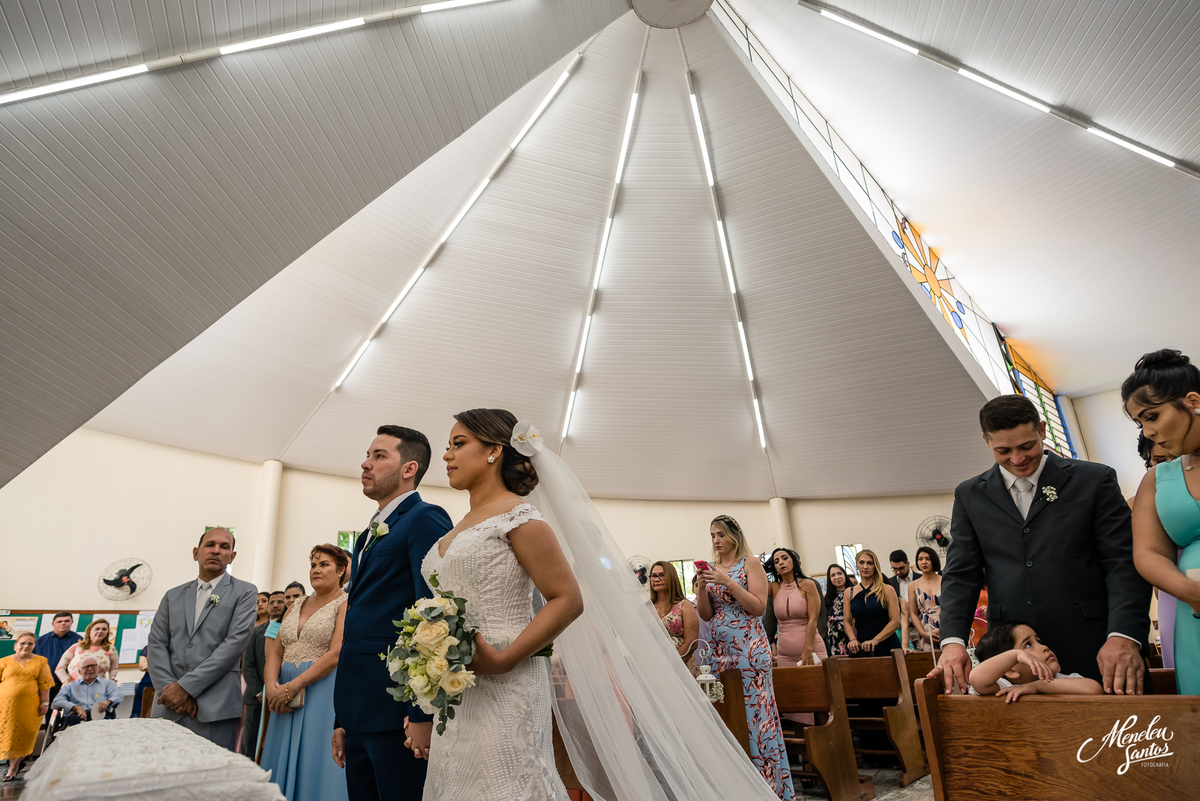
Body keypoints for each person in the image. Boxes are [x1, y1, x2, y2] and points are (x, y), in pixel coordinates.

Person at [931, 394, 1152, 695]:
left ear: (1042, 430)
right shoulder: (970, 495)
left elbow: (1123, 563)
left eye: (1026, 446)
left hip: (1095, 643)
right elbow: (961, 575)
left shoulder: (1093, 480)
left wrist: (1123, 636)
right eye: (1003, 450)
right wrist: (952, 642)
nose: (1018, 459)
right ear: (986, 441)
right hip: (1014, 660)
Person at [413, 410, 582, 800]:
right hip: (457, 686)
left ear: (493, 451)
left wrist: (505, 659)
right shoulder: (462, 524)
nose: (446, 456)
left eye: (458, 444)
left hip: (508, 681)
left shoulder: (520, 518)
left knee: (501, 783)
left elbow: (568, 599)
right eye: (448, 446)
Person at [331, 425, 453, 801]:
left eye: (379, 455)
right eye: (368, 455)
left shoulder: (425, 518)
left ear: (409, 469)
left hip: (397, 713)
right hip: (358, 709)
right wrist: (342, 720)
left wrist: (421, 715)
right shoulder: (367, 535)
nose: (365, 464)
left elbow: (434, 616)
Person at [697, 515, 795, 800]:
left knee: (755, 713)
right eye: (712, 535)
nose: (715, 540)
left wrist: (727, 581)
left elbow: (757, 607)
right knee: (728, 712)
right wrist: (703, 587)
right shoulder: (713, 568)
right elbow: (705, 614)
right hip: (719, 651)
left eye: (720, 535)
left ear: (734, 536)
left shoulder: (750, 562)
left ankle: (767, 786)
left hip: (749, 648)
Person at [1123, 349, 1200, 693]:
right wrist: (1190, 592)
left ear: (1193, 401)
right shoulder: (1159, 478)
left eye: (1152, 416)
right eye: (1141, 423)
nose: (1149, 431)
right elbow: (1149, 552)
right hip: (1193, 611)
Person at [148, 527, 258, 749]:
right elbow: (157, 643)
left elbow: (234, 644)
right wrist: (169, 688)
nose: (216, 551)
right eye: (210, 545)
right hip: (167, 703)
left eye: (224, 547)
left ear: (232, 556)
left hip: (214, 706)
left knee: (210, 778)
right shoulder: (173, 595)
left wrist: (186, 688)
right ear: (196, 552)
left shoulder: (245, 592)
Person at [261, 544, 349, 801]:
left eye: (324, 565)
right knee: (279, 756)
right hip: (282, 694)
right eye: (313, 565)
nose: (316, 570)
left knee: (316, 757)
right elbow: (276, 651)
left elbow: (335, 654)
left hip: (321, 691)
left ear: (341, 570)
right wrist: (272, 688)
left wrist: (292, 687)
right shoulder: (296, 604)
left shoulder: (345, 603)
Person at [969, 621, 1103, 702]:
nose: (1045, 647)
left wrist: (1038, 686)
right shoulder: (1005, 687)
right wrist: (1016, 655)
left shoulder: (1062, 680)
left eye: (1038, 641)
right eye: (1028, 645)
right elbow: (977, 679)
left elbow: (1094, 689)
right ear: (1010, 670)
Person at [0, 631, 52, 782]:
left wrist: (45, 703)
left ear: (34, 646)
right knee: (8, 735)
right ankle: (12, 762)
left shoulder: (40, 661)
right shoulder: (4, 661)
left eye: (30, 643)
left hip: (29, 706)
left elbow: (45, 685)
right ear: (16, 645)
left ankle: (13, 768)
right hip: (5, 706)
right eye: (23, 643)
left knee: (26, 734)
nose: (26, 646)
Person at [241, 588, 286, 757]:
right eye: (271, 602)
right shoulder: (255, 632)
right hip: (256, 697)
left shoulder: (290, 630)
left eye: (279, 602)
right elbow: (248, 665)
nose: (275, 605)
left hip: (281, 696)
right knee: (251, 742)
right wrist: (261, 691)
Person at [765, 548, 827, 668]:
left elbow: (813, 619)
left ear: (794, 562)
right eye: (776, 561)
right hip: (784, 654)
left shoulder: (808, 585)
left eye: (785, 558)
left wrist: (808, 650)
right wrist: (762, 566)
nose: (781, 563)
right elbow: (751, 584)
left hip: (811, 650)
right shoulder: (774, 588)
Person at [842, 549, 901, 657]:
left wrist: (875, 640)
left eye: (870, 563)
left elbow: (895, 622)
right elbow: (847, 622)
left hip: (887, 645)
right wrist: (853, 639)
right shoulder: (849, 592)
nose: (865, 566)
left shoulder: (887, 589)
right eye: (861, 562)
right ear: (857, 566)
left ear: (875, 566)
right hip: (861, 647)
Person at [649, 561, 699, 675]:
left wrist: (671, 665)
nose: (657, 579)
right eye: (653, 576)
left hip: (682, 665)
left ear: (671, 577)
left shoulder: (685, 605)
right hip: (654, 666)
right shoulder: (645, 608)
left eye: (662, 575)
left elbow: (692, 643)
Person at [33, 612, 80, 725]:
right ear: (53, 623)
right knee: (50, 719)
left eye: (66, 621)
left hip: (70, 685)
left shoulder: (79, 642)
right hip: (47, 686)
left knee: (69, 718)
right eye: (59, 621)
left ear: (71, 623)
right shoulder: (39, 641)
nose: (63, 623)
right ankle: (51, 741)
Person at [52, 655, 123, 725]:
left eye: (93, 665)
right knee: (71, 721)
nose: (90, 669)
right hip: (77, 716)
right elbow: (56, 702)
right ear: (79, 671)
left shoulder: (108, 683)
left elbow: (118, 696)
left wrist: (107, 702)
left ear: (98, 668)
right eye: (86, 667)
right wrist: (75, 707)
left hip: (101, 715)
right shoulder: (70, 686)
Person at [55, 618, 118, 683]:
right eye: (97, 629)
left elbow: (114, 668)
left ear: (107, 632)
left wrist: (112, 680)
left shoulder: (110, 649)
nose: (100, 631)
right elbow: (59, 668)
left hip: (98, 688)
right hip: (73, 688)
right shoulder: (77, 647)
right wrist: (66, 681)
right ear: (89, 631)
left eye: (104, 629)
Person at [907, 546, 942, 652]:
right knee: (929, 662)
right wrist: (923, 633)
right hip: (925, 629)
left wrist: (942, 630)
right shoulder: (913, 585)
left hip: (946, 626)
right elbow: (913, 613)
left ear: (934, 560)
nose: (924, 562)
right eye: (920, 559)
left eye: (928, 558)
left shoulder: (945, 581)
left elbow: (954, 609)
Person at [886, 550, 918, 650]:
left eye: (901, 568)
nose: (898, 572)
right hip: (900, 630)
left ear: (908, 564)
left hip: (918, 627)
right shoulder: (889, 583)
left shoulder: (920, 579)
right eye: (894, 569)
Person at [823, 564, 851, 656]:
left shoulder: (854, 593)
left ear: (844, 575)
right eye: (833, 575)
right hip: (835, 638)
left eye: (839, 573)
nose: (837, 577)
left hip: (852, 635)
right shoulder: (827, 598)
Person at [130, 645, 154, 717]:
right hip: (147, 681)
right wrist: (154, 665)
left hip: (161, 681)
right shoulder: (147, 648)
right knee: (139, 708)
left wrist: (148, 664)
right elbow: (142, 666)